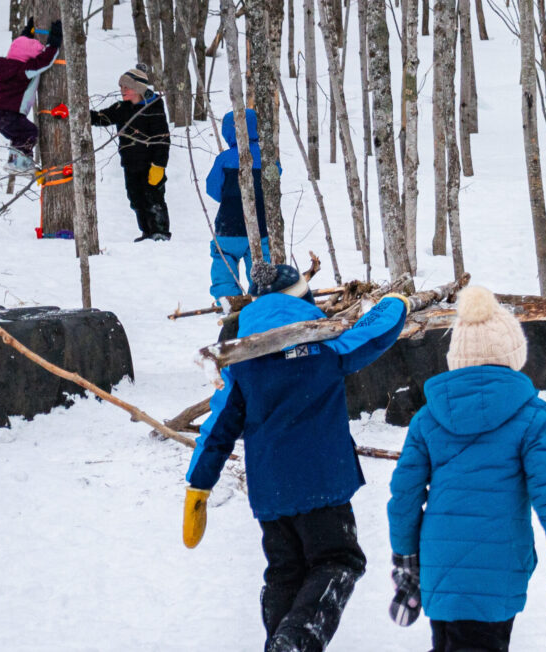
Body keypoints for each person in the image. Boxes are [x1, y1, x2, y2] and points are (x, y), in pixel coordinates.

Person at [182, 260, 410, 652]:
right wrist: (396, 302)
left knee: (285, 574)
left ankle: (279, 645)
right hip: (322, 484)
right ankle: (294, 645)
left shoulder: (243, 362)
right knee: (338, 562)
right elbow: (372, 334)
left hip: (271, 491)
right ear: (303, 296)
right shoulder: (326, 346)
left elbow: (219, 426)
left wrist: (198, 485)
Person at [387, 286, 546, 652]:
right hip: (500, 569)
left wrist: (406, 565)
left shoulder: (427, 418)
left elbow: (404, 500)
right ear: (513, 353)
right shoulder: (534, 418)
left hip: (439, 565)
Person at [90, 64, 171, 242]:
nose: (122, 90)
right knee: (135, 199)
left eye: (126, 87)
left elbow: (162, 139)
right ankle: (146, 232)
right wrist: (81, 114)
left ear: (138, 88)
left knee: (153, 199)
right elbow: (101, 118)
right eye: (121, 87)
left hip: (151, 166)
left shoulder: (153, 108)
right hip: (130, 164)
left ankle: (160, 233)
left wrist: (159, 165)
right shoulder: (121, 108)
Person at [205, 109, 274, 300]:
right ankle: (262, 298)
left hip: (228, 225)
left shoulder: (224, 159)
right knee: (260, 263)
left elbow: (212, 188)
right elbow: (276, 181)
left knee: (223, 262)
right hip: (260, 227)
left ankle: (228, 300)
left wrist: (228, 198)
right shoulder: (267, 158)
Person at [0, 18, 62, 174]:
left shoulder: (10, 64)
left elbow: (20, 45)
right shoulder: (24, 70)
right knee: (28, 132)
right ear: (28, 58)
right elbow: (45, 61)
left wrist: (27, 31)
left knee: (20, 135)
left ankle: (17, 162)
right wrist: (54, 42)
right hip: (6, 112)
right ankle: (19, 164)